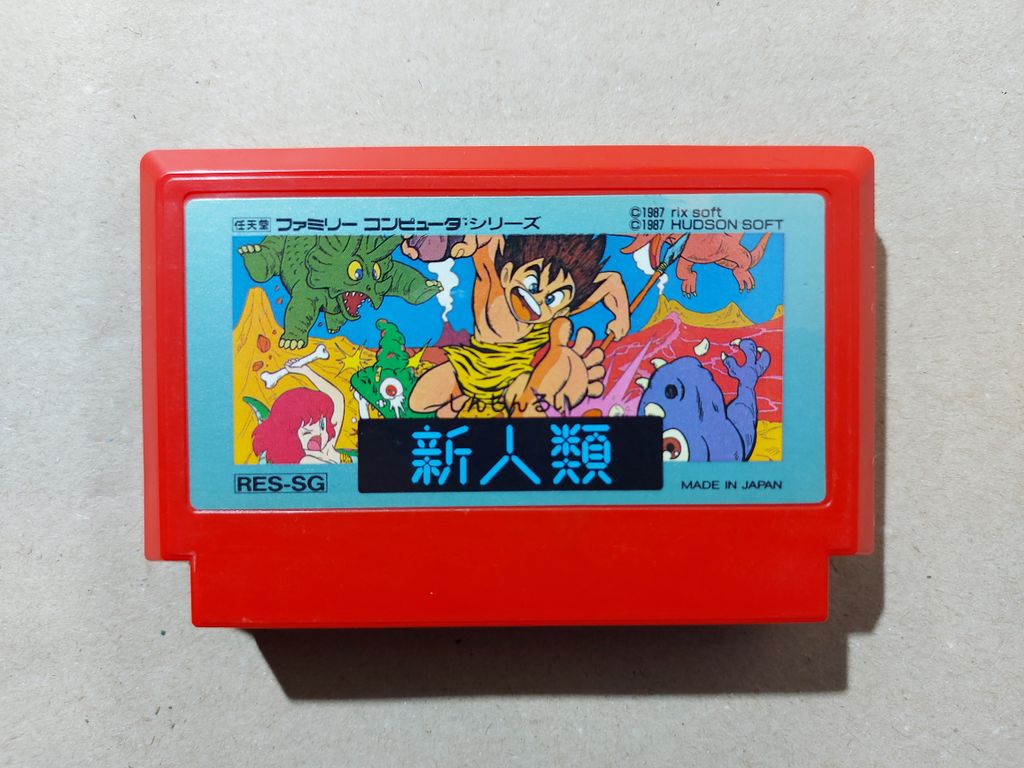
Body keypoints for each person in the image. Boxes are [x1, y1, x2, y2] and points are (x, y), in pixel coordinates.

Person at [407, 235, 629, 417]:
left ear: (561, 310)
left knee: (524, 408)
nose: (538, 300)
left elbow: (611, 282)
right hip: (470, 363)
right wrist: (468, 243)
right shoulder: (493, 278)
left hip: (516, 377)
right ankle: (465, 403)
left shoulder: (559, 310)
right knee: (419, 402)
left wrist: (621, 318)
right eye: (532, 284)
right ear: (507, 274)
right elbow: (486, 235)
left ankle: (486, 406)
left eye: (551, 299)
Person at [252, 359, 347, 463]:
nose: (319, 435)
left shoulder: (327, 445)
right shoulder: (305, 460)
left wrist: (306, 371)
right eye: (306, 432)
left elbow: (337, 398)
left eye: (322, 426)